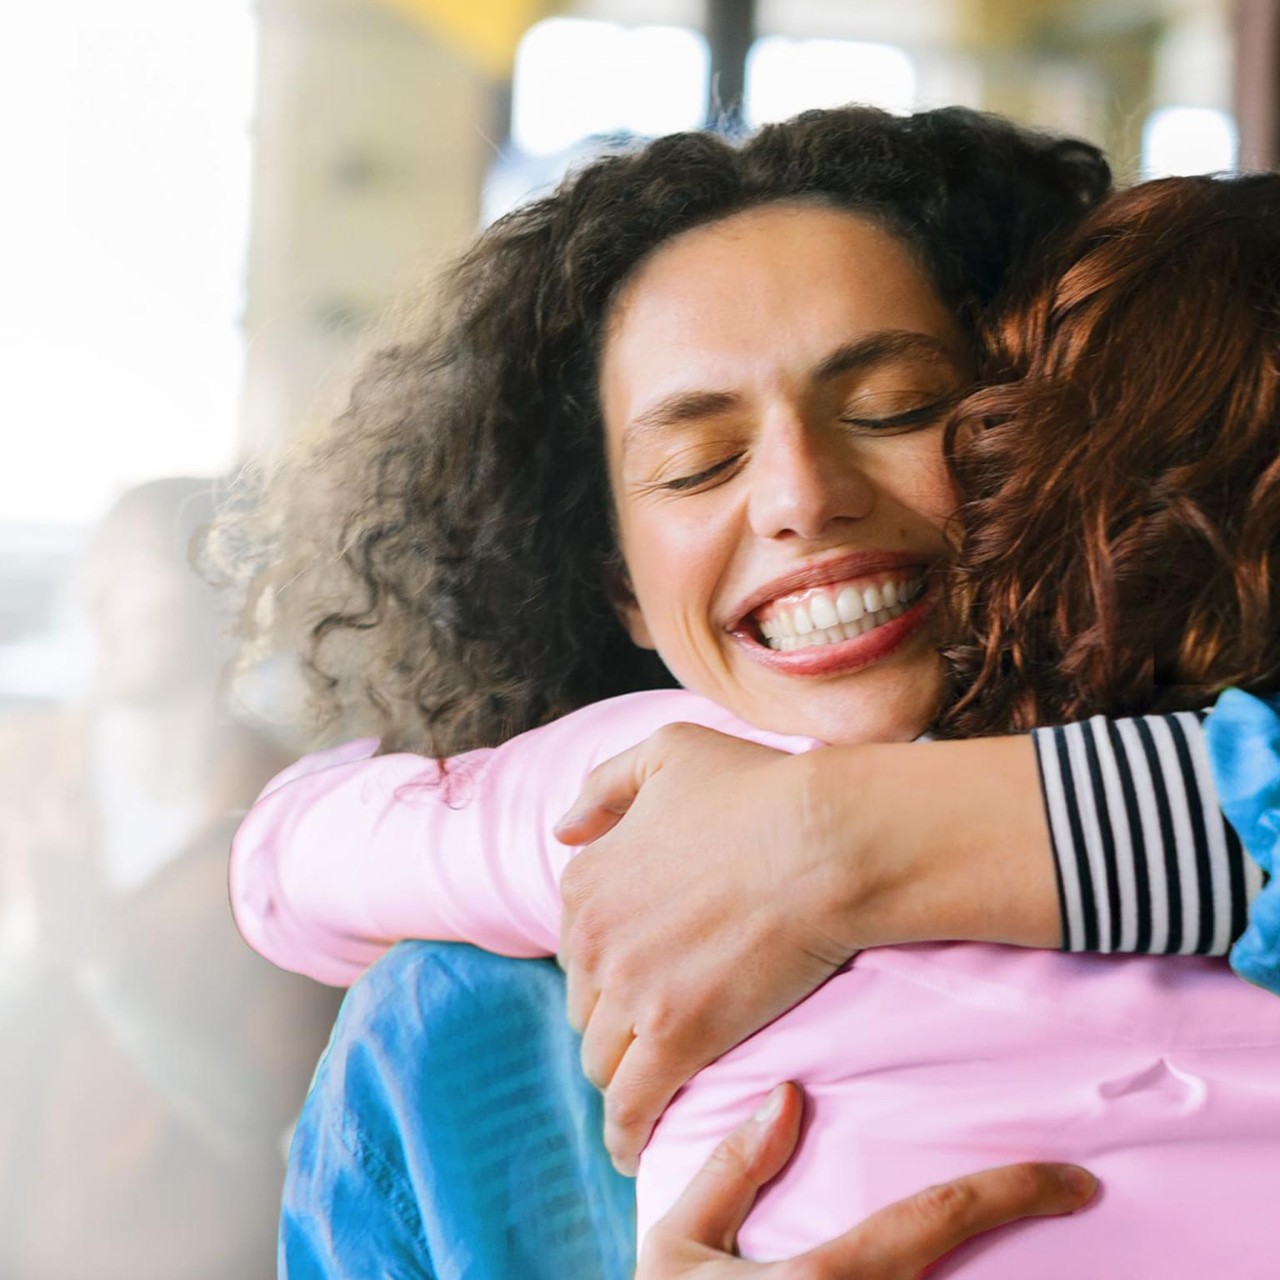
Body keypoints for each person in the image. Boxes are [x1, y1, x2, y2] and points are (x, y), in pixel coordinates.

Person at [225, 104, 1279, 1273]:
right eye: (695, 464)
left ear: (1036, 431)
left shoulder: (1229, 800)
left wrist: (829, 839)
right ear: (617, 586)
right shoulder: (489, 996)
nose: (800, 496)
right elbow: (292, 860)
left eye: (893, 405)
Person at [0, 478, 341, 1278]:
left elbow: (271, 1126)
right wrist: (33, 944)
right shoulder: (20, 769)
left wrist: (111, 975)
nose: (94, 598)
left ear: (230, 603)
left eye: (133, 566)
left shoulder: (294, 819)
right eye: (93, 565)